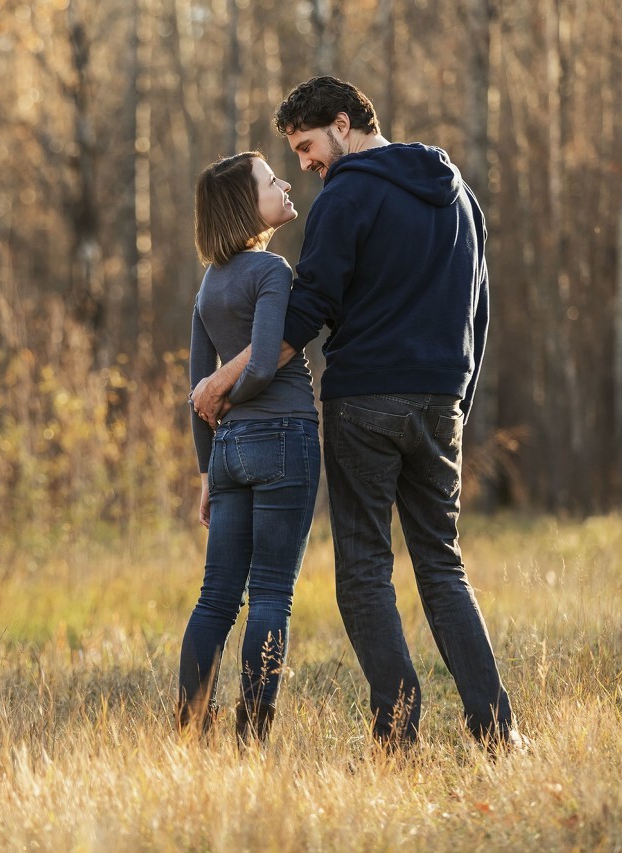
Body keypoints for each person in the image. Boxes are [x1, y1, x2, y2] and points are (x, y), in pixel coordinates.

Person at [191, 77, 523, 752]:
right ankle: (498, 732)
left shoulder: (346, 196)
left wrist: (222, 380)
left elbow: (306, 313)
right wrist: (458, 395)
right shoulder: (457, 191)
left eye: (308, 146)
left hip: (365, 402)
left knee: (365, 572)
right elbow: (479, 309)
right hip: (441, 402)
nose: (307, 164)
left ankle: (396, 736)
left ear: (343, 123)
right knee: (443, 566)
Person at [177, 152, 321, 748]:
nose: (285, 183)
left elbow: (196, 388)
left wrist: (207, 469)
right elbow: (264, 362)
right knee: (269, 595)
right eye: (270, 181)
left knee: (216, 598)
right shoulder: (271, 271)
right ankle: (251, 740)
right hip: (283, 437)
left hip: (229, 454)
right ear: (245, 204)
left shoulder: (208, 286)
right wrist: (239, 400)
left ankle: (190, 732)